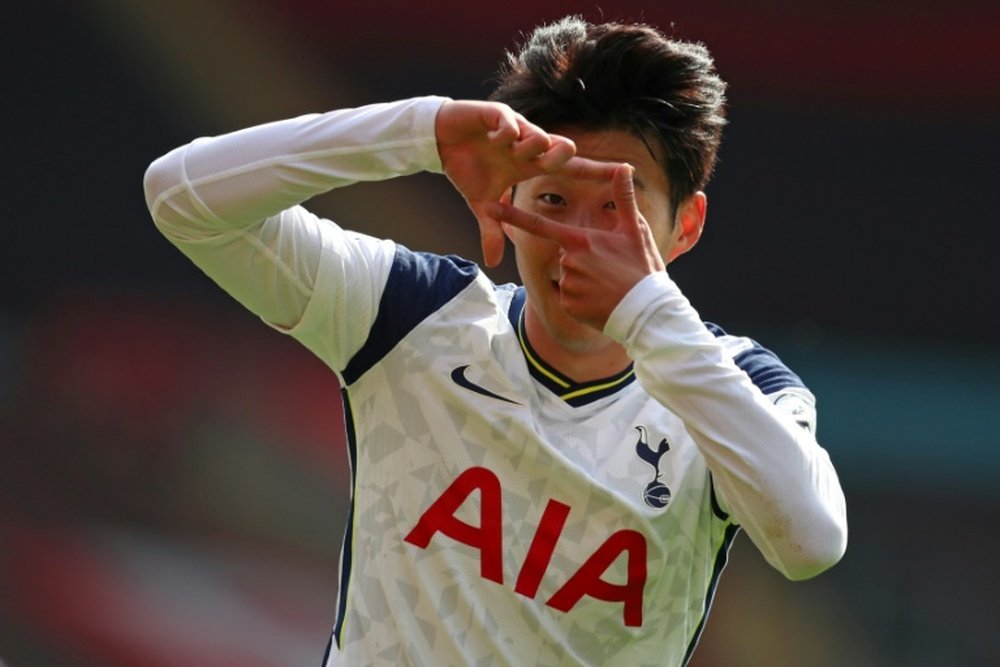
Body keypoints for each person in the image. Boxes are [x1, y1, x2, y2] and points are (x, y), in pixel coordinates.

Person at [144, 14, 847, 667]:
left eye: (616, 208)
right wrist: (421, 133)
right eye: (552, 201)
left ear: (685, 226)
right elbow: (181, 197)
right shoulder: (411, 315)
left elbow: (812, 541)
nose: (577, 239)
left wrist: (645, 310)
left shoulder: (734, 384)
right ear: (507, 204)